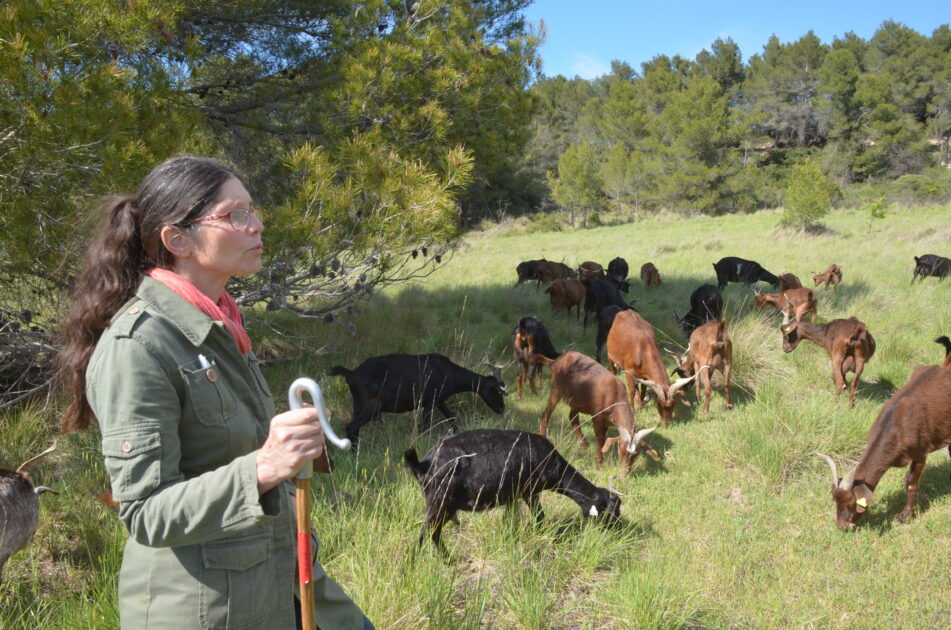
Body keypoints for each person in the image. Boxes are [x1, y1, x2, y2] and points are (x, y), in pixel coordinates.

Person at [56, 156, 373, 630]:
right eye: (235, 215)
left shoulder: (219, 323)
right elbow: (145, 513)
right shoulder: (138, 346)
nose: (257, 226)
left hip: (277, 581)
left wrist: (285, 462)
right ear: (177, 240)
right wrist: (265, 465)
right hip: (207, 609)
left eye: (252, 211)